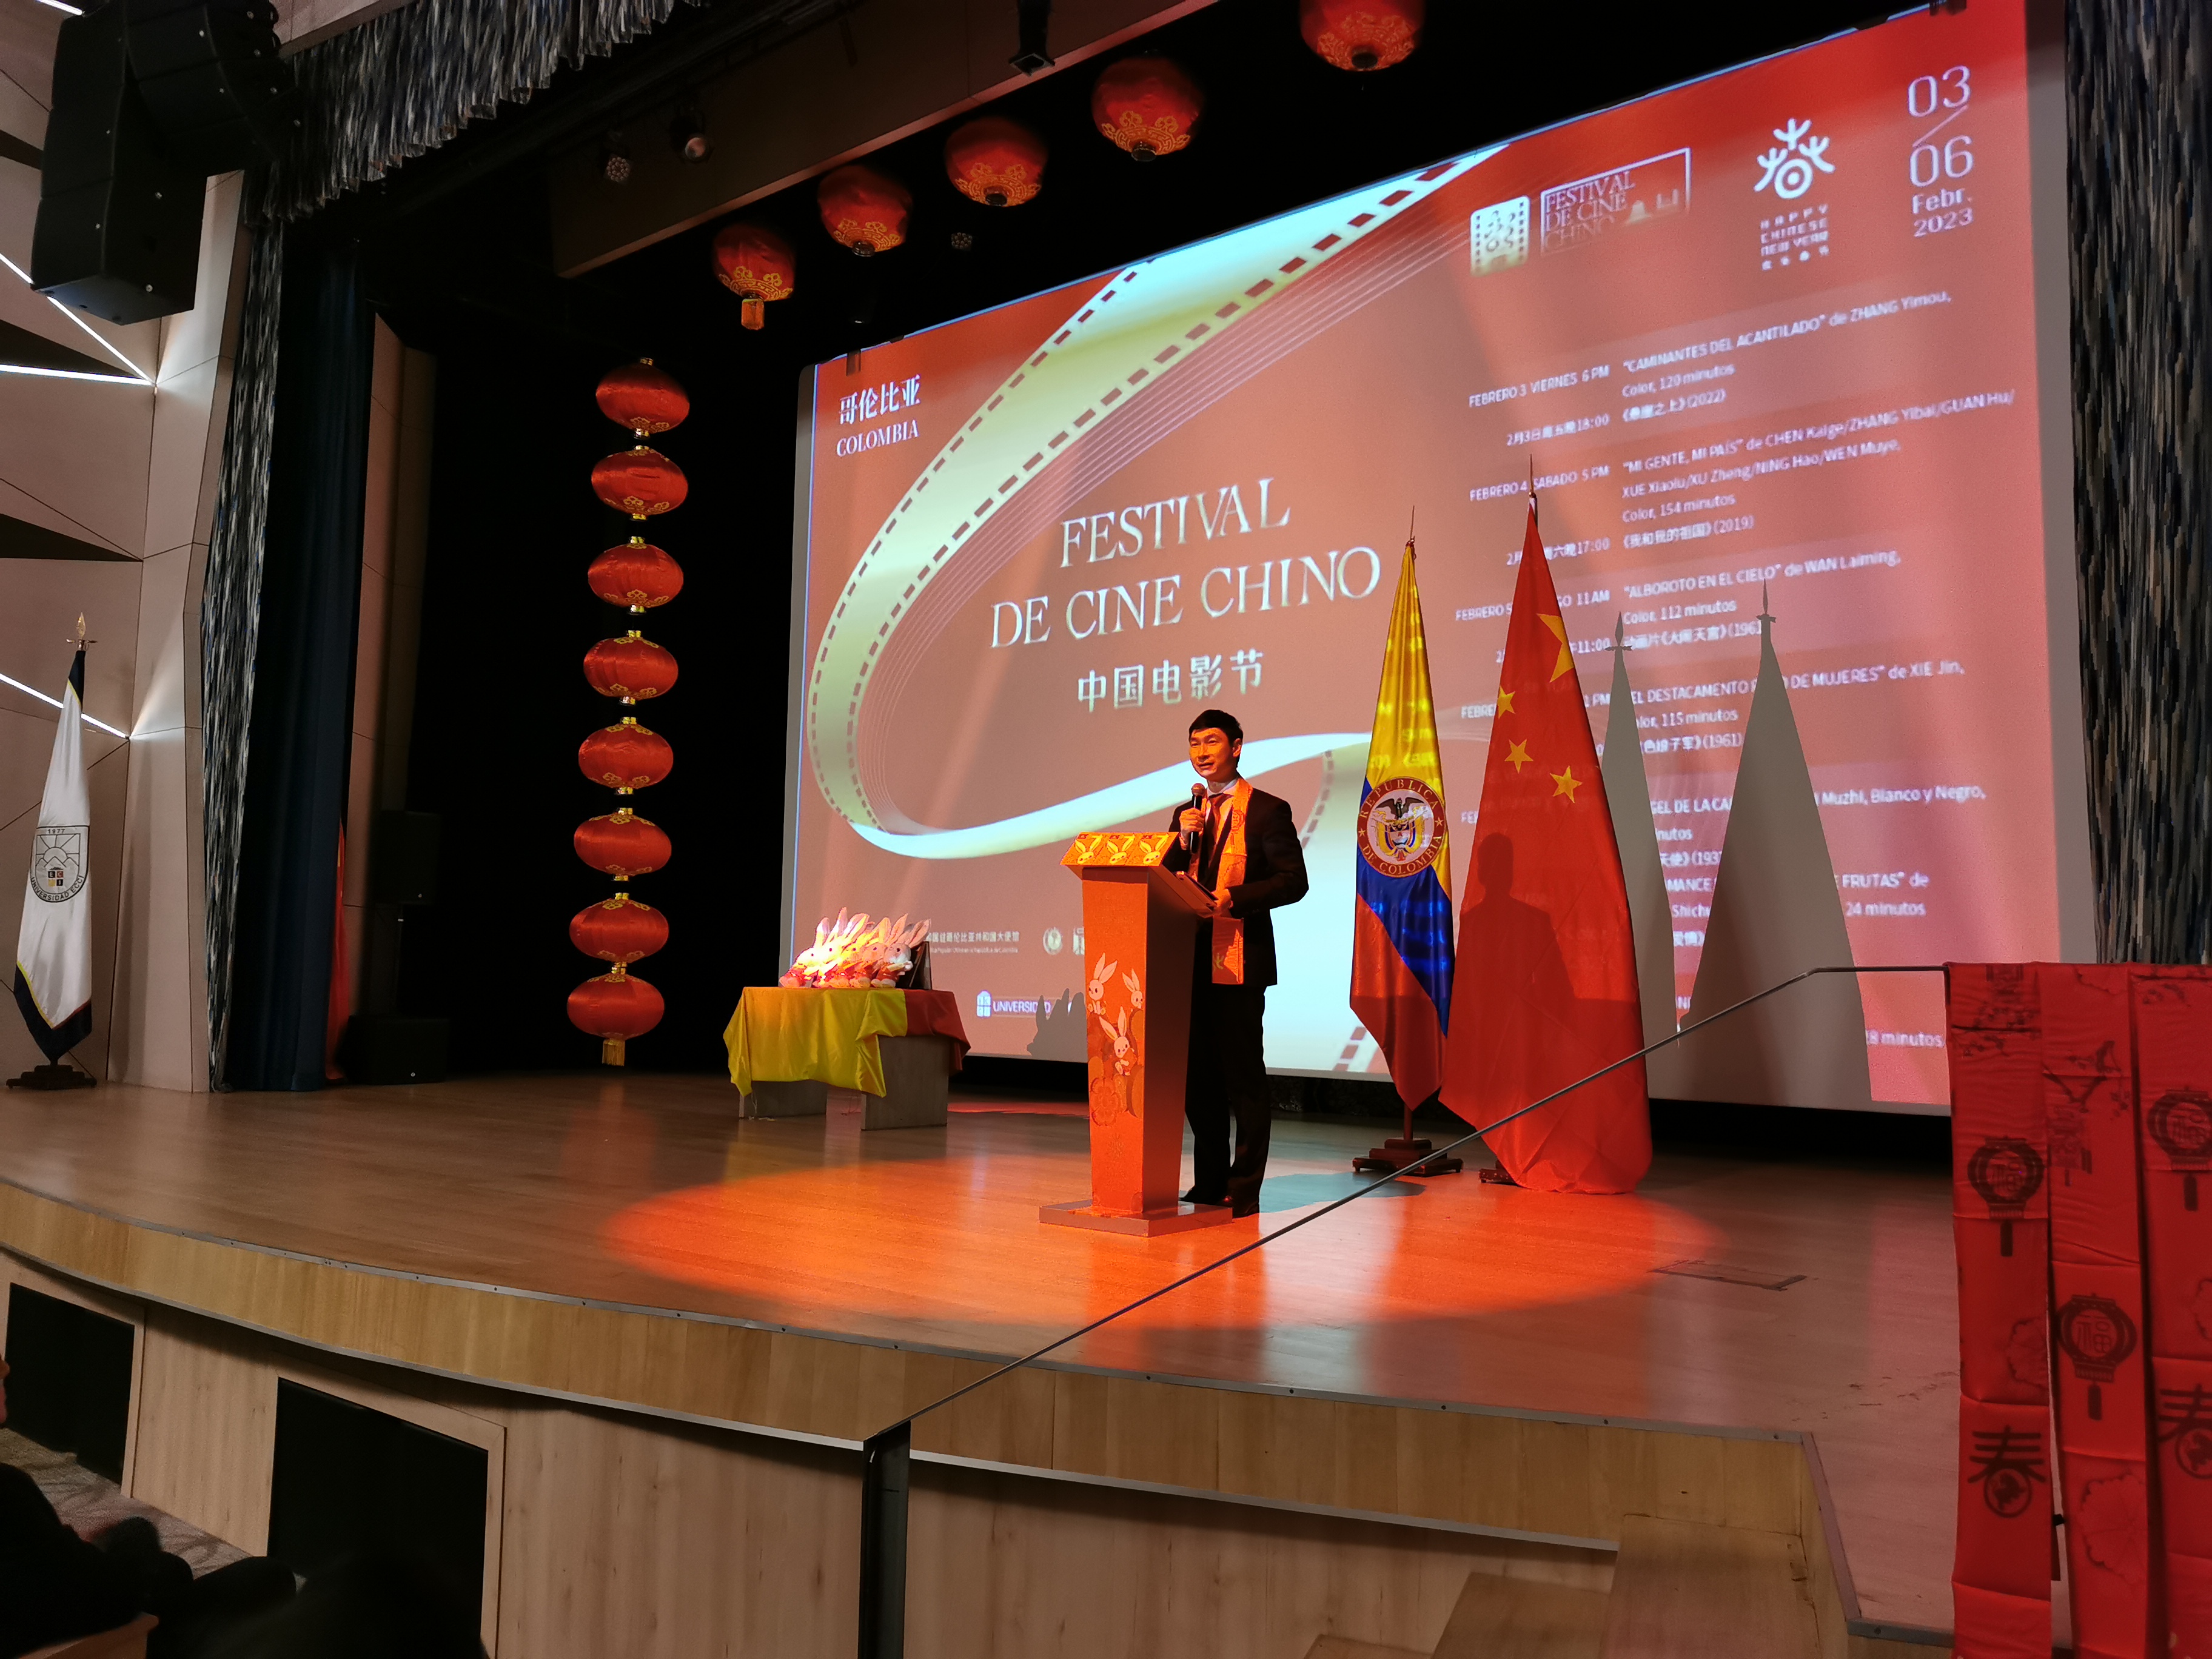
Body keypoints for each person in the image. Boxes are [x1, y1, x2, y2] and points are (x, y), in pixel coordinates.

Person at [0, 1353, 294, 1659]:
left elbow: (42, 1568)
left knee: (172, 1570)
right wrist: (134, 1532)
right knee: (269, 1577)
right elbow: (112, 1595)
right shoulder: (10, 1492)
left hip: (46, 1613)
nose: (6, 1379)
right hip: (92, 1641)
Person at [1161, 709, 1309, 1215]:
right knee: (1196, 1077)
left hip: (1239, 958)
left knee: (1243, 1077)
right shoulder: (1187, 813)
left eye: (1211, 741)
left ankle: (1244, 1187)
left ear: (1237, 746)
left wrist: (1237, 898)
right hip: (1187, 960)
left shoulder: (1267, 810)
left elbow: (1293, 881)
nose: (1201, 752)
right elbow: (1167, 878)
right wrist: (1180, 841)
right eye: (1194, 743)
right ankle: (1208, 1181)